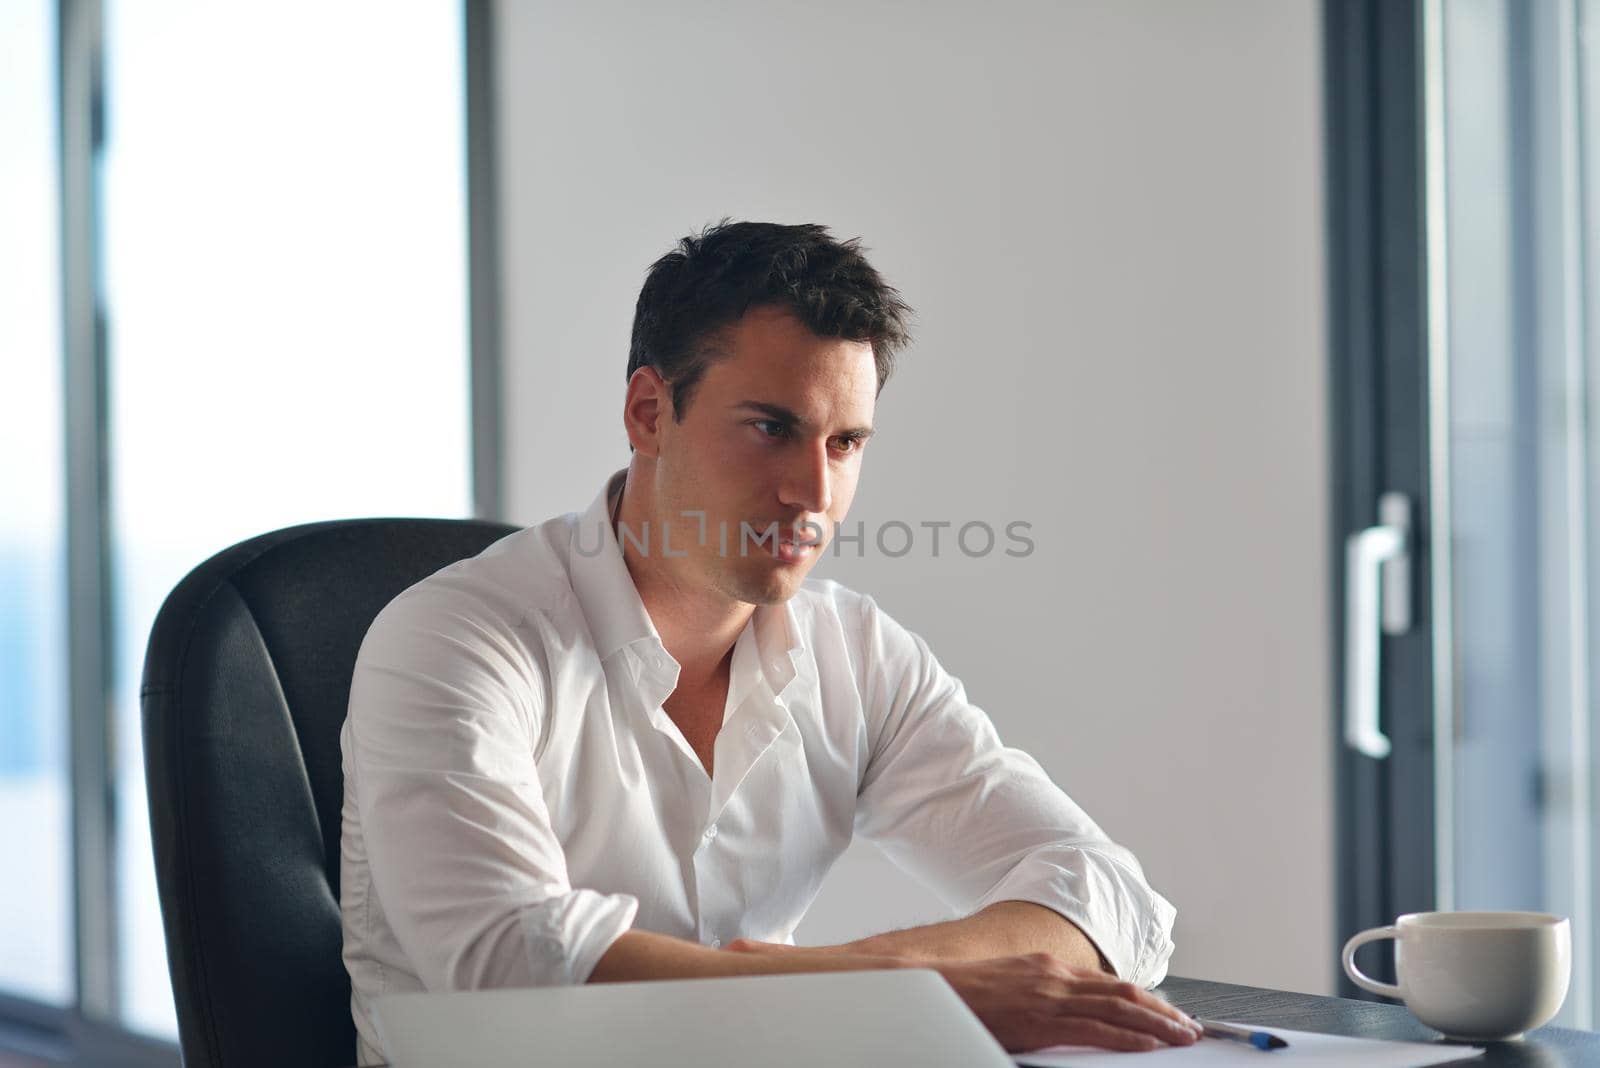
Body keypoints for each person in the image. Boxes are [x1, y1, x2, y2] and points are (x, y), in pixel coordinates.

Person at [339, 220, 1192, 1063]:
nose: (812, 491)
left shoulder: (856, 654)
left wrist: (878, 977)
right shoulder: (454, 640)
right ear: (648, 413)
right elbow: (512, 966)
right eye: (770, 428)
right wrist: (911, 995)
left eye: (845, 442)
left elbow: (1112, 894)